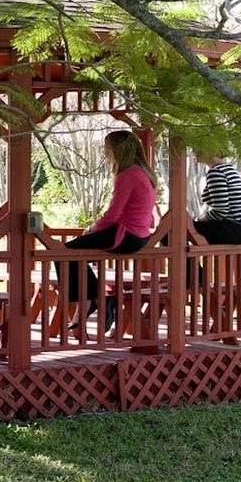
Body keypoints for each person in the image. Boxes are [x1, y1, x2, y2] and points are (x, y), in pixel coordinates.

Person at [59, 129, 158, 332]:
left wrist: (92, 229)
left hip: (125, 234)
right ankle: (95, 299)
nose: (105, 152)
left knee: (64, 252)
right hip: (139, 236)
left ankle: (91, 300)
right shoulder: (143, 173)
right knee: (74, 255)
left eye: (107, 148)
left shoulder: (128, 175)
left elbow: (113, 214)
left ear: (118, 150)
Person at [194, 153, 241, 244]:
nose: (193, 152)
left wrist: (201, 219)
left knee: (181, 229)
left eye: (197, 149)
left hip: (232, 229)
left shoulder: (216, 172)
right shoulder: (230, 171)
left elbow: (221, 211)